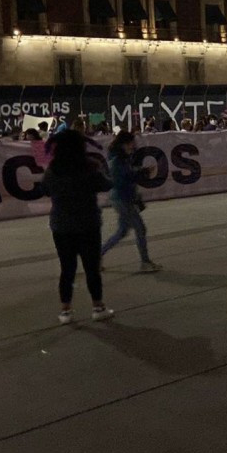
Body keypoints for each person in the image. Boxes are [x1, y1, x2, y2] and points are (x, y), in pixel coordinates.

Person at [42, 129, 114, 325]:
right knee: (92, 268)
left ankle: (66, 311)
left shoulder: (52, 170)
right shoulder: (89, 167)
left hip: (61, 225)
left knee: (67, 269)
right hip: (87, 223)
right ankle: (98, 307)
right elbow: (107, 184)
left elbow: (45, 190)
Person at [100, 131, 163, 272]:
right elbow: (121, 179)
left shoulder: (122, 158)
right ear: (124, 144)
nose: (134, 145)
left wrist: (141, 172)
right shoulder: (117, 161)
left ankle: (97, 256)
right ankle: (145, 262)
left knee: (122, 232)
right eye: (131, 143)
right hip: (122, 199)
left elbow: (127, 174)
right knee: (140, 228)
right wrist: (142, 173)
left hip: (123, 198)